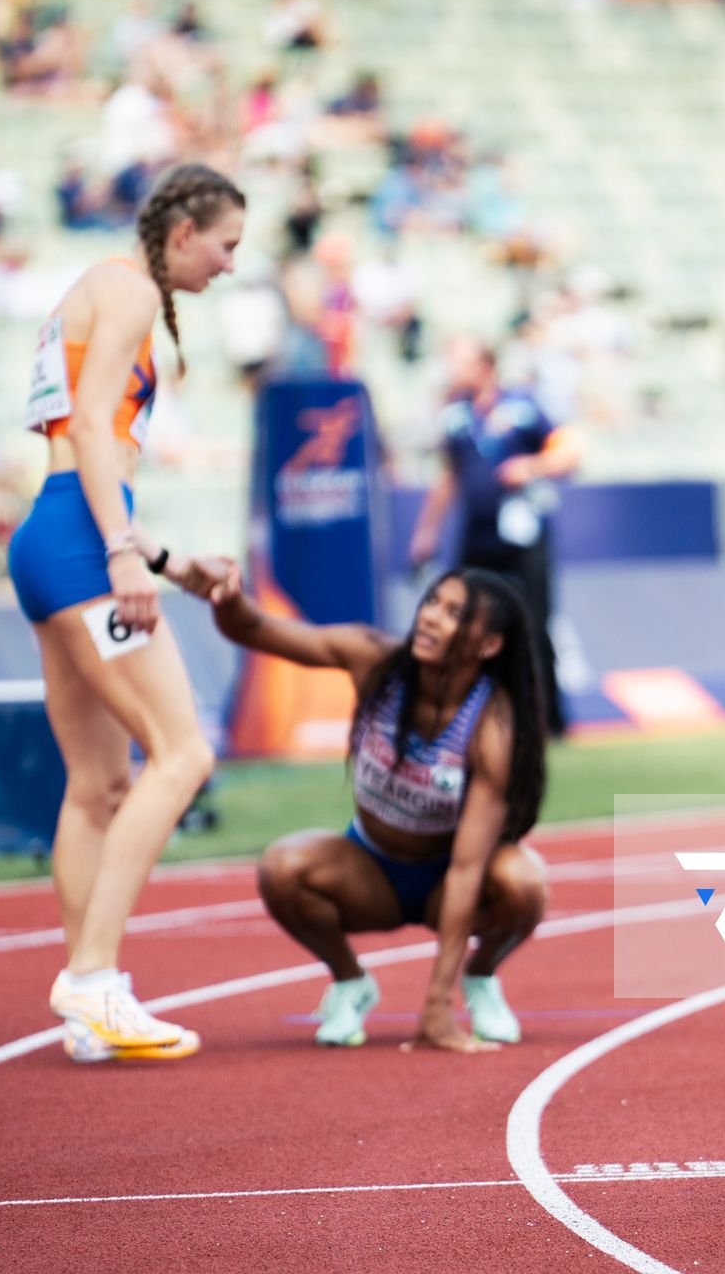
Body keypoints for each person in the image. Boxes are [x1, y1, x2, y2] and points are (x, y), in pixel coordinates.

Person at [6, 162, 246, 1064]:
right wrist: (119, 552)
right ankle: (94, 978)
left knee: (99, 786)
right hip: (78, 544)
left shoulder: (98, 288)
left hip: (50, 537)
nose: (228, 265)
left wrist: (168, 561)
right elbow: (97, 428)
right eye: (226, 245)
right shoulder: (131, 289)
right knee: (184, 753)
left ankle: (87, 1001)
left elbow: (79, 446)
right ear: (185, 231)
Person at [215, 568, 551, 1052]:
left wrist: (437, 1006)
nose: (431, 618)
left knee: (525, 881)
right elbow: (253, 629)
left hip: (446, 880)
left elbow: (466, 868)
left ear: (489, 645)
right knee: (281, 866)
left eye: (454, 614)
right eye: (432, 602)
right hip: (370, 869)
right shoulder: (375, 661)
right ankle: (350, 981)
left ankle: (480, 977)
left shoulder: (493, 727)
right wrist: (225, 597)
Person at [409, 336, 580, 738]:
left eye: (461, 362)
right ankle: (474, 716)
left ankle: (547, 720)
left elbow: (570, 448)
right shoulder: (455, 416)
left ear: (484, 365)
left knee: (534, 624)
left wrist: (533, 465)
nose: (453, 370)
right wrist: (427, 530)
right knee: (470, 626)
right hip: (478, 535)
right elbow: (448, 476)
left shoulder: (522, 407)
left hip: (523, 536)